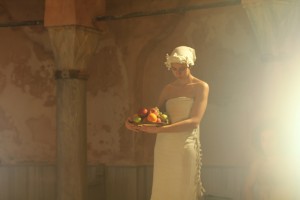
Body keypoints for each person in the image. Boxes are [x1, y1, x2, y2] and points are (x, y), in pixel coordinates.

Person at [125, 46, 209, 200]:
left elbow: (194, 122)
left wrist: (159, 131)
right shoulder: (168, 89)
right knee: (164, 190)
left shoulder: (201, 87)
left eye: (182, 69)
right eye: (174, 69)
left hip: (185, 143)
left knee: (184, 190)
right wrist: (132, 121)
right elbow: (157, 115)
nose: (177, 73)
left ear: (189, 65)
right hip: (164, 146)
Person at [243, 121, 300, 200]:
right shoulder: (258, 164)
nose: (267, 144)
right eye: (263, 139)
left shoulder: (291, 163)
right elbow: (247, 188)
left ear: (279, 140)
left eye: (271, 139)